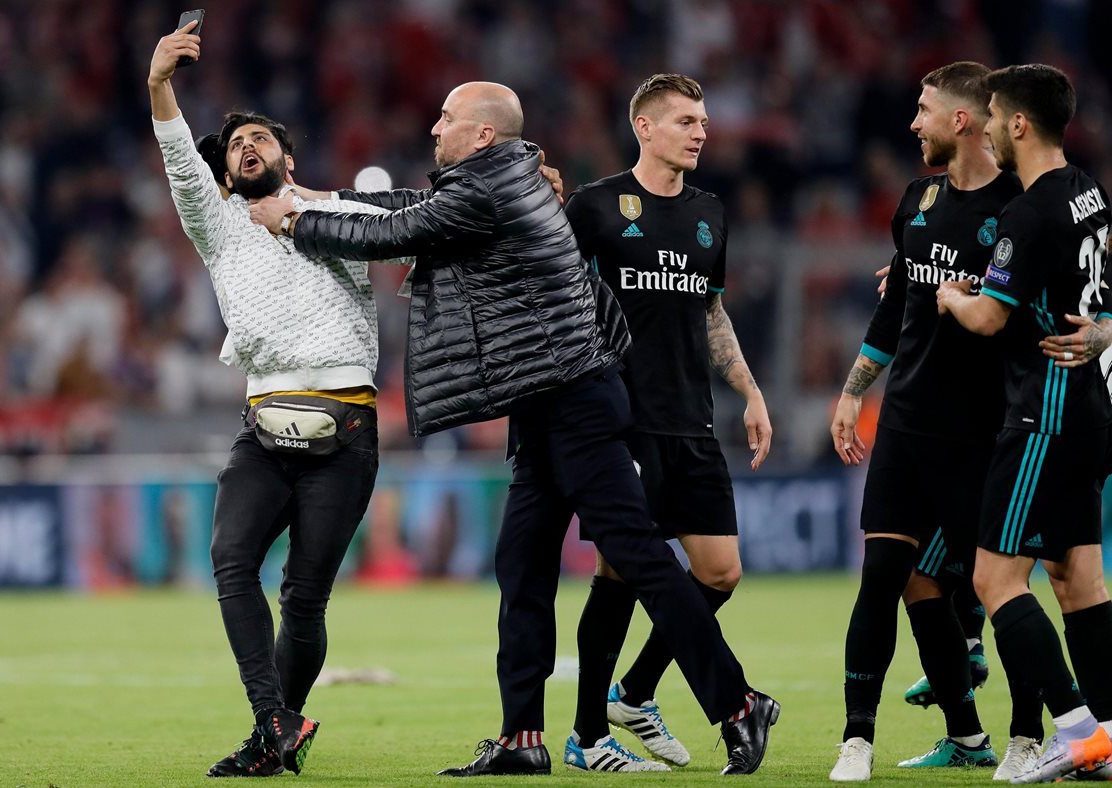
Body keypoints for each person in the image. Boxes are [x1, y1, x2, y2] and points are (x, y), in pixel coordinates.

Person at [251, 81, 780, 777]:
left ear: (481, 136)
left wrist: (291, 221)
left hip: (578, 400)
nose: (434, 126)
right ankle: (522, 740)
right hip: (542, 402)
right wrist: (316, 198)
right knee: (523, 571)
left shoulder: (491, 190)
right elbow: (408, 205)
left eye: (446, 117)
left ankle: (737, 702)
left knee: (639, 556)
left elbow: (394, 234)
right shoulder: (495, 180)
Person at [148, 22, 403, 777]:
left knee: (306, 600)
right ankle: (274, 722)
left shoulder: (342, 216)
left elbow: (420, 237)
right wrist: (159, 83)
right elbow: (175, 158)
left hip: (346, 430)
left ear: (287, 159)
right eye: (234, 145)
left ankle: (272, 735)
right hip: (262, 430)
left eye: (259, 138)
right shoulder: (219, 227)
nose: (245, 146)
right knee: (230, 561)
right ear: (226, 174)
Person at [828, 62, 1052, 782]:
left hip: (984, 431)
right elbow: (898, 308)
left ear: (962, 120)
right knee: (889, 575)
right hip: (906, 422)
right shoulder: (917, 200)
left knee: (996, 587)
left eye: (924, 109)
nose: (913, 122)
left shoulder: (1020, 207)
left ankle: (1025, 735)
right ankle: (859, 739)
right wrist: (853, 390)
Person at [559, 73, 773, 773]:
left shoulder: (710, 212)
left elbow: (710, 312)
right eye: (685, 120)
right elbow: (557, 298)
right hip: (625, 421)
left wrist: (749, 389)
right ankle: (588, 734)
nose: (700, 131)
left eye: (703, 120)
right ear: (644, 127)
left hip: (693, 419)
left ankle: (637, 692)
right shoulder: (594, 207)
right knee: (620, 570)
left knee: (721, 572)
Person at [936, 63, 1112, 784]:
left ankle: (1076, 732)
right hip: (1096, 405)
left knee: (994, 578)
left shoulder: (1030, 210)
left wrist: (950, 295)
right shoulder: (1090, 193)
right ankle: (1107, 732)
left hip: (1046, 412)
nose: (985, 129)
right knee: (1079, 580)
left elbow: (988, 317)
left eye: (994, 115)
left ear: (1016, 123)